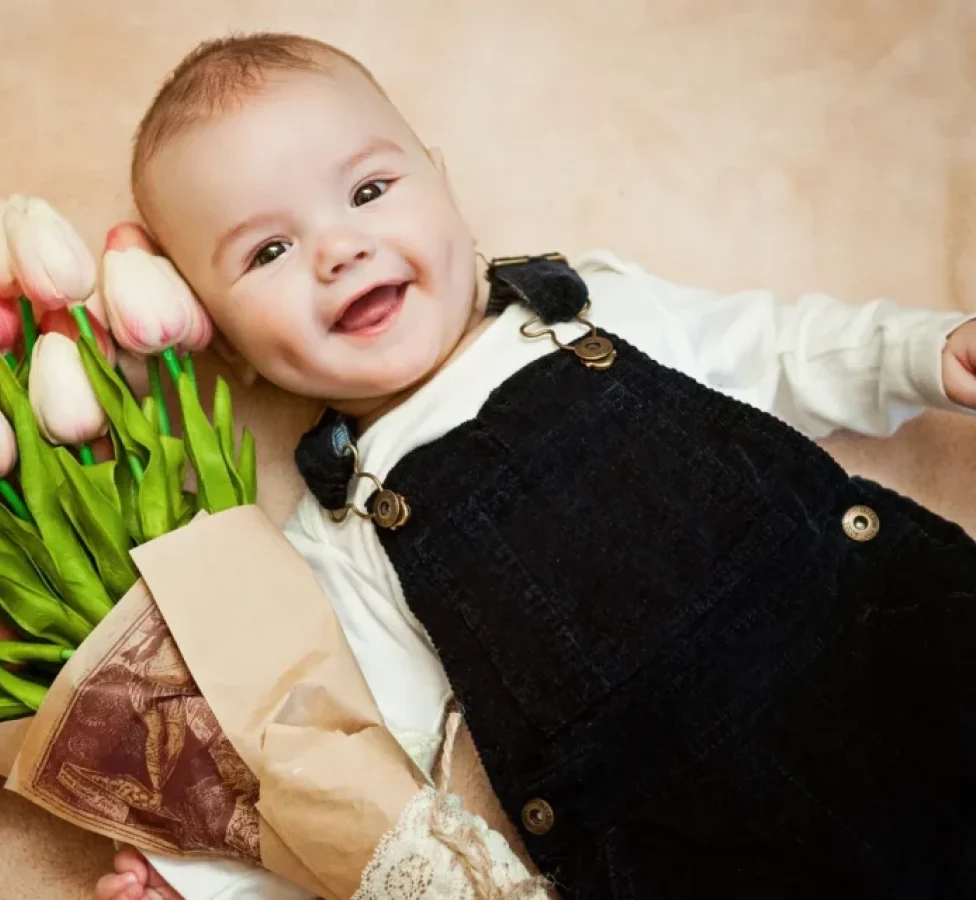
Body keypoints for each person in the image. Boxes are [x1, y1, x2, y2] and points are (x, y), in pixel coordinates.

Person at [98, 32, 976, 900]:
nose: (339, 250)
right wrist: (197, 875)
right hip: (686, 827)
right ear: (230, 348)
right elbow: (332, 750)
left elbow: (773, 348)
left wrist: (916, 353)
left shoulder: (586, 309)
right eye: (269, 252)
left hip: (869, 636)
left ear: (442, 181)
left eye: (369, 191)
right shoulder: (344, 529)